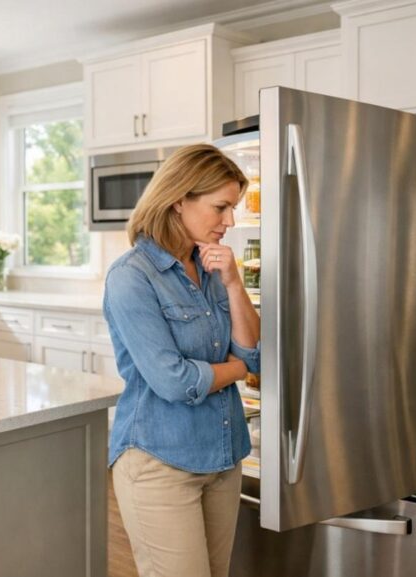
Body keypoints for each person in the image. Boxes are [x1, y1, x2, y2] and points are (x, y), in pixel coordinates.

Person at [104, 144, 261, 577]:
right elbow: (175, 381)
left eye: (233, 209)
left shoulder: (213, 266)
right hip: (159, 463)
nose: (230, 221)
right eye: (221, 207)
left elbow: (254, 351)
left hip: (224, 456)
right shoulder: (132, 277)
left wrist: (233, 283)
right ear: (178, 200)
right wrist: (238, 369)